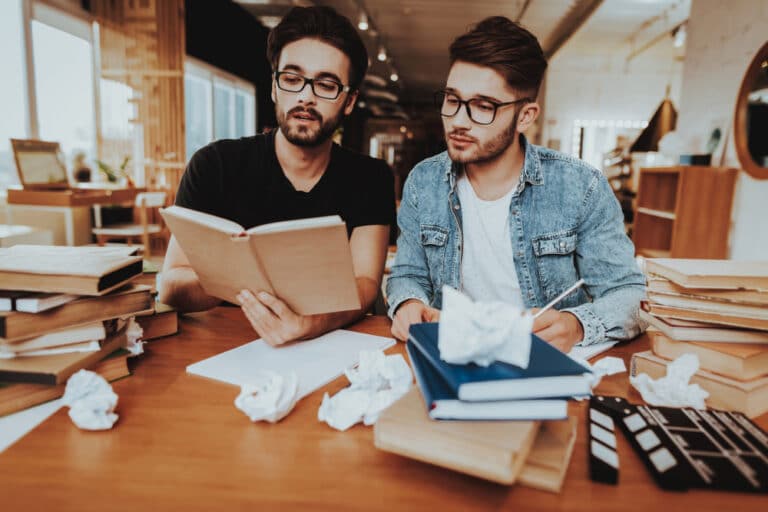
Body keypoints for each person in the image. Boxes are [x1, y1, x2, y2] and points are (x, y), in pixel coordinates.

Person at [386, 16, 645, 351]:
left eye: (483, 106)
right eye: (452, 100)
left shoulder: (581, 187)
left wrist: (577, 325)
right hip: (452, 357)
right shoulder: (424, 181)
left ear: (525, 116)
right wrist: (408, 303)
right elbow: (407, 274)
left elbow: (629, 294)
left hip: (543, 364)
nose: (458, 121)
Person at [160, 6, 395, 346]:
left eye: (326, 84)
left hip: (327, 342)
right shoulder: (215, 164)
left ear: (348, 101)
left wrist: (308, 324)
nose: (305, 96)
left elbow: (365, 283)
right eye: (292, 78)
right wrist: (240, 278)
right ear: (274, 87)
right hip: (226, 342)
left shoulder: (370, 177)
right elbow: (171, 286)